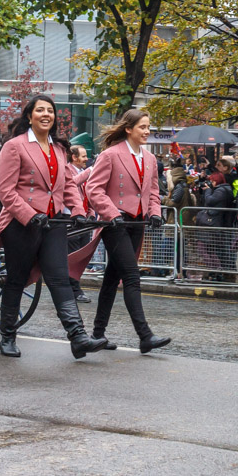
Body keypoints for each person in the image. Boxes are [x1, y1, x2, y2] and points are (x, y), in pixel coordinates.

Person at [0, 95, 105, 359]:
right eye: (40, 110)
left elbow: (68, 185)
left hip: (53, 224)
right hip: (21, 225)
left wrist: (78, 211)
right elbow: (4, 190)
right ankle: (7, 336)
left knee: (59, 278)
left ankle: (78, 338)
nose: (46, 114)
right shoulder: (15, 146)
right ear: (29, 116)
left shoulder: (58, 148)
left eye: (50, 111)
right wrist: (29, 215)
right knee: (17, 280)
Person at [68, 109, 171, 354]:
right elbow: (94, 189)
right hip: (115, 224)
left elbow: (153, 191)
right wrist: (111, 214)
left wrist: (155, 212)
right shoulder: (110, 155)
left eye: (148, 127)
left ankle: (97, 334)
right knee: (132, 276)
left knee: (112, 280)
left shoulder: (150, 159)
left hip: (137, 225)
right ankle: (145, 336)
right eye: (142, 127)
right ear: (128, 129)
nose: (147, 132)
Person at [66, 144, 93, 303]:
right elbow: (71, 184)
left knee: (83, 256)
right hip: (71, 219)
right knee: (73, 256)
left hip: (84, 220)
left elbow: (87, 195)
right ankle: (74, 290)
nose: (86, 159)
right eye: (83, 156)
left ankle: (73, 286)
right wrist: (90, 171)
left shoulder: (83, 173)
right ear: (74, 157)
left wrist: (90, 212)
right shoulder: (67, 170)